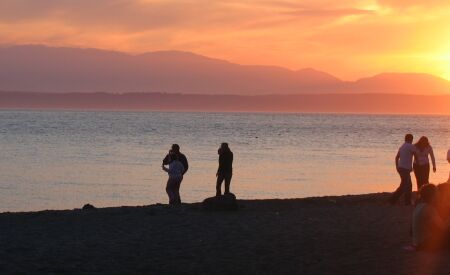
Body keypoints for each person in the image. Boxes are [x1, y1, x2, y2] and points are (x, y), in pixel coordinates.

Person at [412, 184, 448, 251]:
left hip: (417, 243)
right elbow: (444, 227)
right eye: (437, 193)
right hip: (425, 244)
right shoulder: (429, 209)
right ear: (432, 196)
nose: (439, 194)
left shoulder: (419, 206)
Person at [389, 134, 417, 205]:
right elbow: (416, 155)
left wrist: (397, 166)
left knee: (408, 185)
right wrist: (417, 165)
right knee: (404, 185)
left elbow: (396, 157)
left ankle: (407, 201)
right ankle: (393, 199)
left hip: (401, 168)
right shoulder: (411, 146)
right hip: (405, 169)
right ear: (411, 139)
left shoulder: (402, 146)